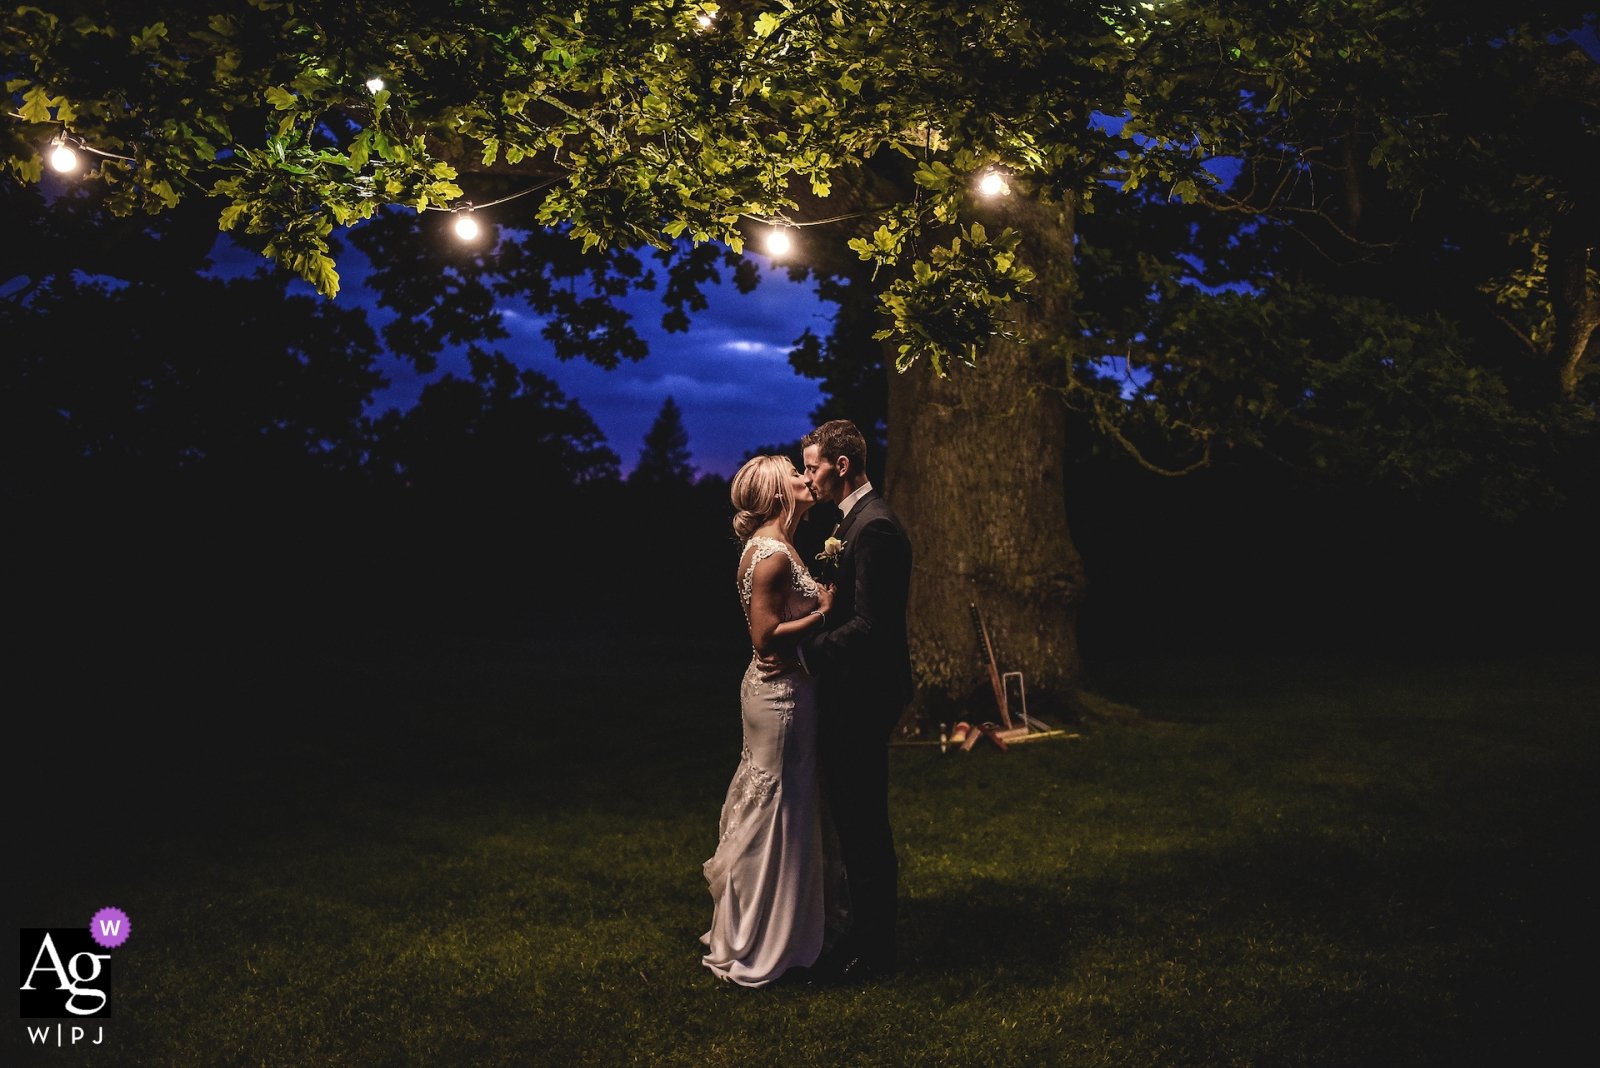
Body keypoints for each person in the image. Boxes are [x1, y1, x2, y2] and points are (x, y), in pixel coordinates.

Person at [763, 419, 913, 984]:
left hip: (865, 695)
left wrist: (807, 655)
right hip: (851, 691)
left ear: (841, 466)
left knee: (865, 824)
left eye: (814, 466)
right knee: (850, 821)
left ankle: (875, 956)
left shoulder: (875, 530)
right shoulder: (851, 524)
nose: (809, 476)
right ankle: (856, 936)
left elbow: (871, 625)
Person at [700, 454, 848, 986]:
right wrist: (824, 615)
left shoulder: (780, 546)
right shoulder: (771, 555)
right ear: (778, 493)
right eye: (796, 475)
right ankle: (764, 940)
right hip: (780, 695)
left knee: (786, 802)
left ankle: (777, 930)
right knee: (778, 806)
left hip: (787, 689)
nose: (806, 479)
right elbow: (763, 637)